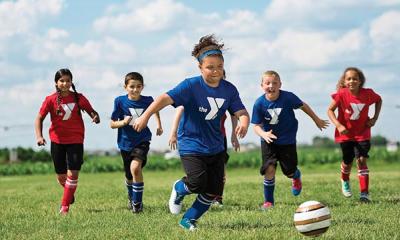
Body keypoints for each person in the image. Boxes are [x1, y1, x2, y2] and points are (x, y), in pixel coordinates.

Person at [132, 34, 250, 230]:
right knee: (196, 183)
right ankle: (179, 188)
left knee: (213, 190)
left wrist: (244, 123)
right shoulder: (190, 85)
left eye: (219, 67)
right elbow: (164, 98)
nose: (215, 71)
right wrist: (145, 116)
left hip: (216, 146)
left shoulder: (229, 89)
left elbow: (241, 111)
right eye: (210, 67)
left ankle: (188, 219)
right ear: (200, 67)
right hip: (191, 143)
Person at [251, 70, 329, 210]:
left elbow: (303, 105)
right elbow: (256, 126)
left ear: (280, 84)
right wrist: (263, 134)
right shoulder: (259, 104)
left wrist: (316, 119)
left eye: (275, 83)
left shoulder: (288, 98)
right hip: (268, 141)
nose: (271, 86)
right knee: (269, 169)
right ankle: (269, 202)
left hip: (287, 140)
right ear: (262, 85)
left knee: (289, 171)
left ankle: (295, 175)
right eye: (267, 83)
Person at [34, 68, 100, 215]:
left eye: (68, 80)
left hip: (76, 139)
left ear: (71, 82)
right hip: (57, 141)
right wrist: (39, 136)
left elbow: (93, 112)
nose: (65, 83)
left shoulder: (79, 98)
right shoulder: (50, 100)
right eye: (62, 81)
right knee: (61, 177)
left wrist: (95, 117)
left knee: (73, 174)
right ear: (56, 83)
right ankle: (69, 193)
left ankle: (64, 206)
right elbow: (39, 118)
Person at [110, 72, 163, 213]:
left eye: (138, 86)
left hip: (142, 140)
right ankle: (131, 197)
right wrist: (123, 122)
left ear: (142, 87)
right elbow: (112, 124)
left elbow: (155, 110)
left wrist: (159, 125)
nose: (135, 89)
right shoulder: (119, 101)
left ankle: (137, 204)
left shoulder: (148, 100)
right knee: (129, 176)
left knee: (135, 168)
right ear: (125, 87)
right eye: (132, 86)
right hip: (125, 143)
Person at [327, 67, 382, 202]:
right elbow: (329, 110)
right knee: (348, 161)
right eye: (349, 79)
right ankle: (345, 179)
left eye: (355, 78)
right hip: (345, 135)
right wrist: (339, 125)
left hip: (363, 133)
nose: (352, 81)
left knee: (362, 160)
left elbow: (379, 100)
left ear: (360, 81)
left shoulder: (368, 94)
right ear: (344, 81)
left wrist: (374, 118)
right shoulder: (341, 94)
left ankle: (364, 193)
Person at [168, 107, 240, 207]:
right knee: (199, 178)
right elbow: (180, 108)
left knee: (220, 171)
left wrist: (234, 134)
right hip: (198, 138)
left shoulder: (226, 93)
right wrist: (173, 132)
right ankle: (180, 189)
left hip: (219, 138)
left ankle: (217, 198)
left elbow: (234, 112)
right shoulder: (195, 93)